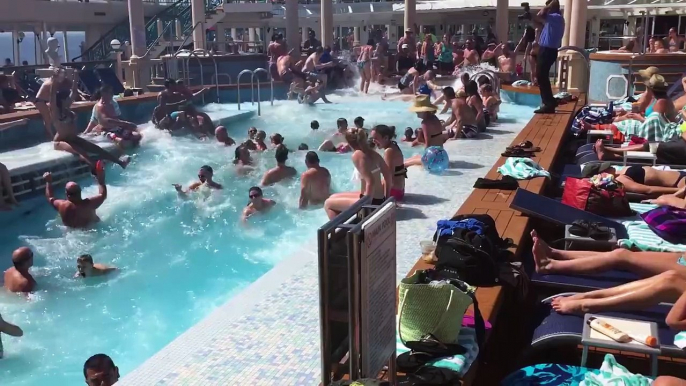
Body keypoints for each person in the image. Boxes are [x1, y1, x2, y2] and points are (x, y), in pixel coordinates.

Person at [48, 70, 130, 169]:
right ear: (62, 101)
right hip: (61, 141)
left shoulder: (66, 108)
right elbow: (52, 98)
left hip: (73, 138)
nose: (70, 100)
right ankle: (96, 170)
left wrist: (75, 78)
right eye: (67, 99)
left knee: (97, 149)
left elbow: (74, 92)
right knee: (81, 152)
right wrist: (54, 80)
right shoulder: (56, 113)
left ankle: (120, 163)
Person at [324, 128, 392, 219]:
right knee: (333, 196)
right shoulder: (373, 153)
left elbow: (370, 181)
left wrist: (366, 207)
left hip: (370, 202)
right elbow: (388, 176)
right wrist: (386, 199)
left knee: (328, 203)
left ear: (349, 142)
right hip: (379, 199)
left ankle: (340, 231)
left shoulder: (357, 155)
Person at [580, 161, 686, 197]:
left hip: (680, 176)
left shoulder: (619, 172)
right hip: (678, 184)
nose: (609, 166)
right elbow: (649, 190)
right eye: (605, 168)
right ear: (600, 175)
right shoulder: (621, 181)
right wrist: (679, 191)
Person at [532, 0, 565, 114]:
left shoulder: (556, 17)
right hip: (546, 50)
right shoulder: (553, 20)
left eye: (548, 5)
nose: (547, 7)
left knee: (541, 76)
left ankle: (548, 104)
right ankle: (549, 101)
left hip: (548, 50)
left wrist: (549, 5)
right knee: (542, 77)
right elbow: (539, 21)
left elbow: (540, 14)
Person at [371, 125, 407, 201]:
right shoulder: (393, 145)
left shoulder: (389, 151)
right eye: (372, 138)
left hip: (393, 193)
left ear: (386, 138)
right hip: (398, 191)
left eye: (376, 138)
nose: (373, 141)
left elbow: (388, 178)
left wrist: (386, 199)